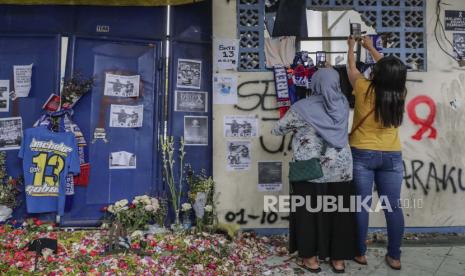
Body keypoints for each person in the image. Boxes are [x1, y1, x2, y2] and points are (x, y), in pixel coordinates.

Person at [272, 68, 357, 274]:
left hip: (309, 169)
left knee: (307, 212)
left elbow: (278, 129)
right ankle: (338, 260)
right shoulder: (343, 103)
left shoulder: (302, 107)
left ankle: (310, 259)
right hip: (341, 168)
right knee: (340, 213)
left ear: (315, 84)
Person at [347, 36, 407, 270]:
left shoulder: (363, 88)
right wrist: (371, 48)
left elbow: (351, 68)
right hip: (391, 155)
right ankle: (394, 256)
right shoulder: (400, 92)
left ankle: (360, 253)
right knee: (393, 206)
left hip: (362, 152)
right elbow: (390, 73)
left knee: (361, 205)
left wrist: (353, 47)